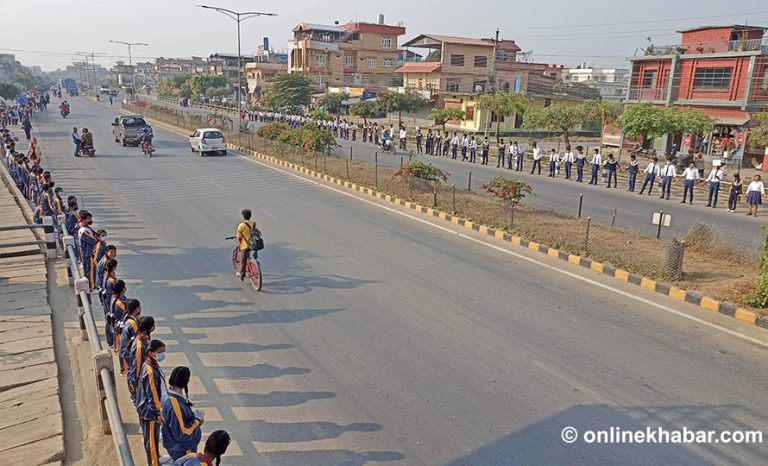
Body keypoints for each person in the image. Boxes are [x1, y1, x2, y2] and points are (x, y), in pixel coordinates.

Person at [162, 366, 204, 462]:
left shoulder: (167, 395)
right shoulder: (175, 404)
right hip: (183, 448)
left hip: (174, 445)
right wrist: (197, 420)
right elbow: (184, 433)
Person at [136, 339, 167, 466]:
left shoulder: (151, 363)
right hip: (150, 412)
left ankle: (156, 458)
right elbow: (153, 394)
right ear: (152, 352)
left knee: (152, 439)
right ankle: (154, 463)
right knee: (151, 442)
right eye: (160, 352)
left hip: (149, 408)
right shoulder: (150, 369)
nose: (162, 354)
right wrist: (157, 413)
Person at [128, 316, 155, 404]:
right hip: (139, 380)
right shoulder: (139, 346)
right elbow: (137, 366)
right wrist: (135, 384)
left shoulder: (143, 338)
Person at [118, 298, 142, 375]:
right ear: (136, 309)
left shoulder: (127, 318)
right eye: (139, 307)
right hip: (128, 353)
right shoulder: (133, 323)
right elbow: (137, 339)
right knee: (132, 372)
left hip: (124, 351)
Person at [235, 209, 257, 281]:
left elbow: (239, 237)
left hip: (245, 246)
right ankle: (256, 262)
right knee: (253, 254)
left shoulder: (241, 225)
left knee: (243, 261)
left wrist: (240, 243)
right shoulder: (254, 223)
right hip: (254, 244)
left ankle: (242, 276)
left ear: (243, 216)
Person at [77, 210, 98, 290]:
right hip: (87, 253)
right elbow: (93, 240)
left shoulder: (87, 228)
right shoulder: (84, 231)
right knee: (90, 271)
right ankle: (90, 287)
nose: (90, 221)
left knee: (90, 270)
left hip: (88, 253)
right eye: (88, 219)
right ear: (83, 219)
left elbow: (95, 234)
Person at [109, 280, 128, 352]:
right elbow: (128, 311)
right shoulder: (120, 302)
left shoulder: (113, 297)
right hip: (119, 325)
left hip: (115, 323)